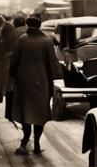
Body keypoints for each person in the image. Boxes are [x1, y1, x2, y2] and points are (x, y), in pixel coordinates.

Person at [7, 13, 61, 155]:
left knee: (25, 111)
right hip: (42, 81)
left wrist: (13, 75)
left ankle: (25, 139)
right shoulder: (47, 41)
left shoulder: (22, 40)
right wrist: (56, 77)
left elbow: (14, 61)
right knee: (40, 112)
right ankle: (36, 142)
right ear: (39, 26)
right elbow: (53, 62)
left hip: (24, 80)